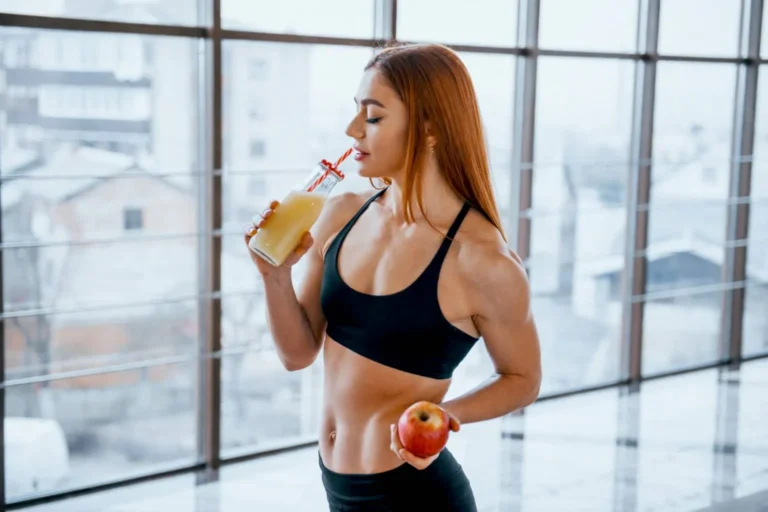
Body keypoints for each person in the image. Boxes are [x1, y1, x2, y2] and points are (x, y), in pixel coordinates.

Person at [244, 42, 542, 512]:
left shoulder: (482, 260)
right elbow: (298, 354)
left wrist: (449, 415)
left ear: (429, 128)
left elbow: (522, 378)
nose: (352, 130)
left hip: (416, 496)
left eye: (374, 117)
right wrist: (274, 275)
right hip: (338, 489)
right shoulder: (341, 214)